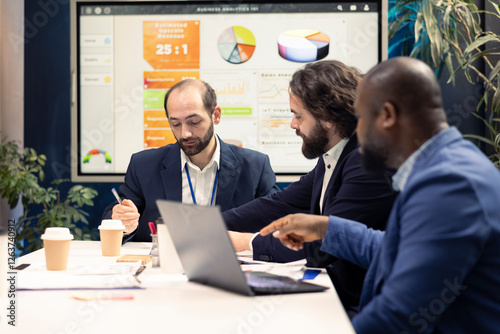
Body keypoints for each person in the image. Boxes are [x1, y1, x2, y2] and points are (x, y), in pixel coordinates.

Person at [260, 57, 500, 333]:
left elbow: (399, 314)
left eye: (360, 118)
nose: (357, 131)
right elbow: (396, 249)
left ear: (387, 115)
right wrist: (326, 228)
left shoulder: (449, 185)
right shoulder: (445, 166)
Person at [224, 60, 397, 311]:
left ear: (328, 117)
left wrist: (242, 242)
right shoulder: (337, 154)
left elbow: (326, 243)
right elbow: (281, 204)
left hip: (361, 307)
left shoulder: (366, 162)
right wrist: (215, 226)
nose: (293, 124)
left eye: (298, 115)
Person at [102, 79, 279, 242]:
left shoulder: (255, 167)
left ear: (215, 115)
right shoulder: (143, 166)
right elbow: (115, 215)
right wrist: (120, 221)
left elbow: (278, 224)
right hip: (161, 269)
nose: (185, 133)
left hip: (230, 267)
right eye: (176, 124)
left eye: (194, 122)